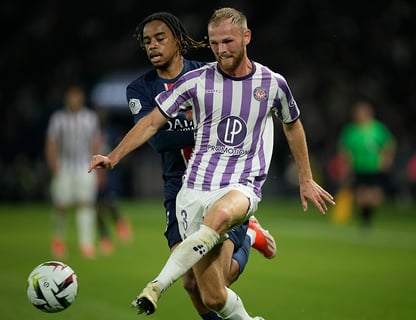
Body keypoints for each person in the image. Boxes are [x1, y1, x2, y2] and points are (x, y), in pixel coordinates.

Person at [89, 7, 334, 319]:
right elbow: (154, 132)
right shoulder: (167, 85)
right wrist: (114, 156)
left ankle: (157, 285)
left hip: (235, 185)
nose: (221, 50)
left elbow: (287, 122)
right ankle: (249, 239)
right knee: (202, 288)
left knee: (216, 250)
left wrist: (305, 176)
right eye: (215, 44)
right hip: (185, 185)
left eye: (159, 38)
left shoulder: (260, 80)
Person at [126, 11, 276, 319]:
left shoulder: (208, 73)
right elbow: (156, 140)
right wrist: (202, 125)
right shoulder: (140, 90)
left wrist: (181, 125)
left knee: (215, 283)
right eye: (147, 42)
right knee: (193, 283)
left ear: (178, 41)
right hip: (178, 187)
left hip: (223, 183)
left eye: (160, 38)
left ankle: (247, 235)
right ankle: (250, 236)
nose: (152, 46)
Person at [46, 83, 102, 259]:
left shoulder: (90, 118)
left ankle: (86, 244)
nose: (74, 100)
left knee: (86, 204)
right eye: (71, 96)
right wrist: (53, 163)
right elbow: (52, 142)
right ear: (67, 98)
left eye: (77, 96)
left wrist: (100, 169)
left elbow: (95, 143)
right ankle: (58, 240)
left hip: (85, 167)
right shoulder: (58, 118)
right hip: (64, 166)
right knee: (61, 205)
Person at [338, 97, 396, 229]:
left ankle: (367, 216)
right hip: (359, 167)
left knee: (375, 196)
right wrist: (345, 165)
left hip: (375, 167)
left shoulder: (378, 128)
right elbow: (345, 149)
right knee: (362, 195)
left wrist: (387, 159)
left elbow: (389, 144)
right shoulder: (351, 131)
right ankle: (364, 221)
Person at [96, 110, 132, 255]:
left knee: (111, 201)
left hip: (109, 173)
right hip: (93, 173)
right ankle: (104, 238)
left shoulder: (112, 132)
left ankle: (120, 222)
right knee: (97, 207)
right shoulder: (91, 132)